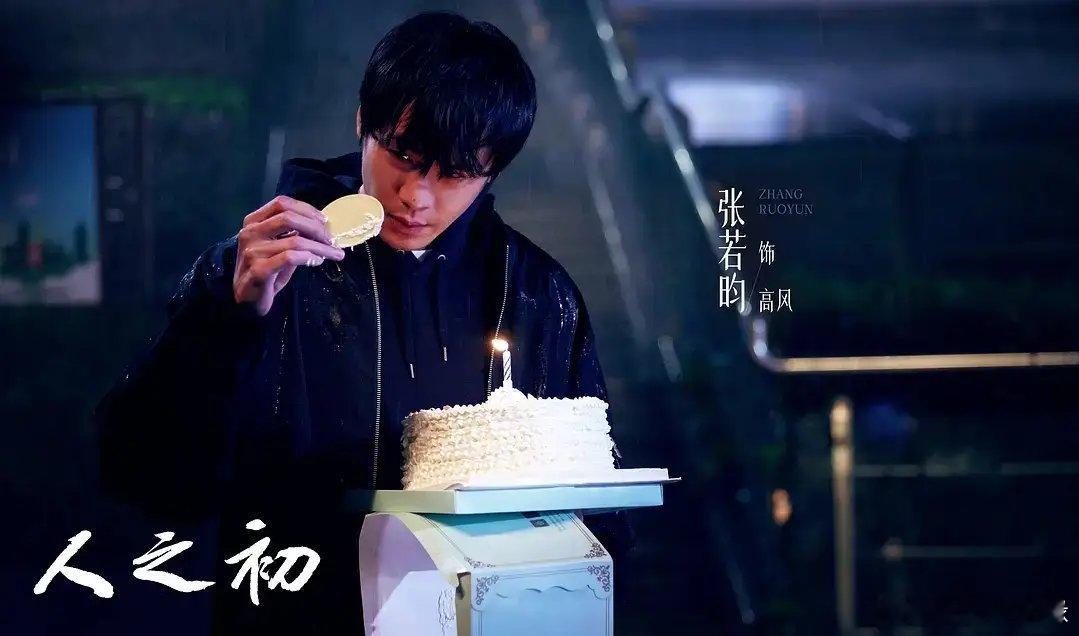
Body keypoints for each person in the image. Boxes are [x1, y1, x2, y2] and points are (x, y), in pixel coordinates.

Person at [95, 11, 634, 634]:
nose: (417, 196)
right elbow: (146, 476)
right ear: (362, 124)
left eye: (456, 173)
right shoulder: (259, 268)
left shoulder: (537, 292)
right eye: (403, 155)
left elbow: (595, 515)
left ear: (494, 170)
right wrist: (228, 318)